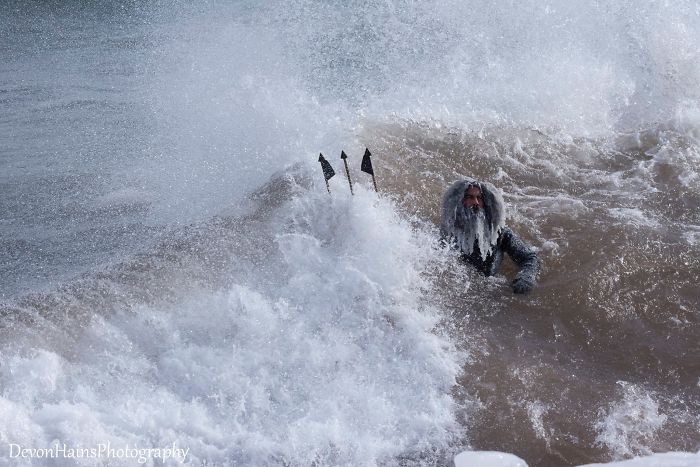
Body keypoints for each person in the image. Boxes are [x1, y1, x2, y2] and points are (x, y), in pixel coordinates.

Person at [439, 179, 540, 294]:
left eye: (479, 198)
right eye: (469, 197)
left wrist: (525, 278)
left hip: (491, 292)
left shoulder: (498, 234)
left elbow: (530, 258)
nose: (476, 202)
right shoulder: (447, 234)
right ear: (457, 201)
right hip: (459, 293)